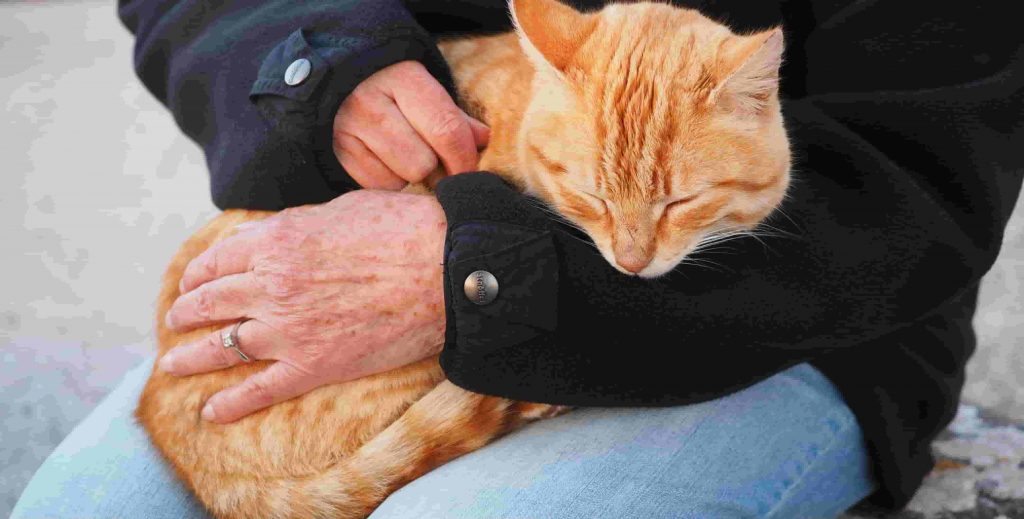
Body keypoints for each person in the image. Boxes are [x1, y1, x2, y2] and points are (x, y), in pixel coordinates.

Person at [12, 0, 1023, 517]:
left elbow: (920, 172)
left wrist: (477, 277)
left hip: (789, 305)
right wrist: (315, 60)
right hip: (377, 214)